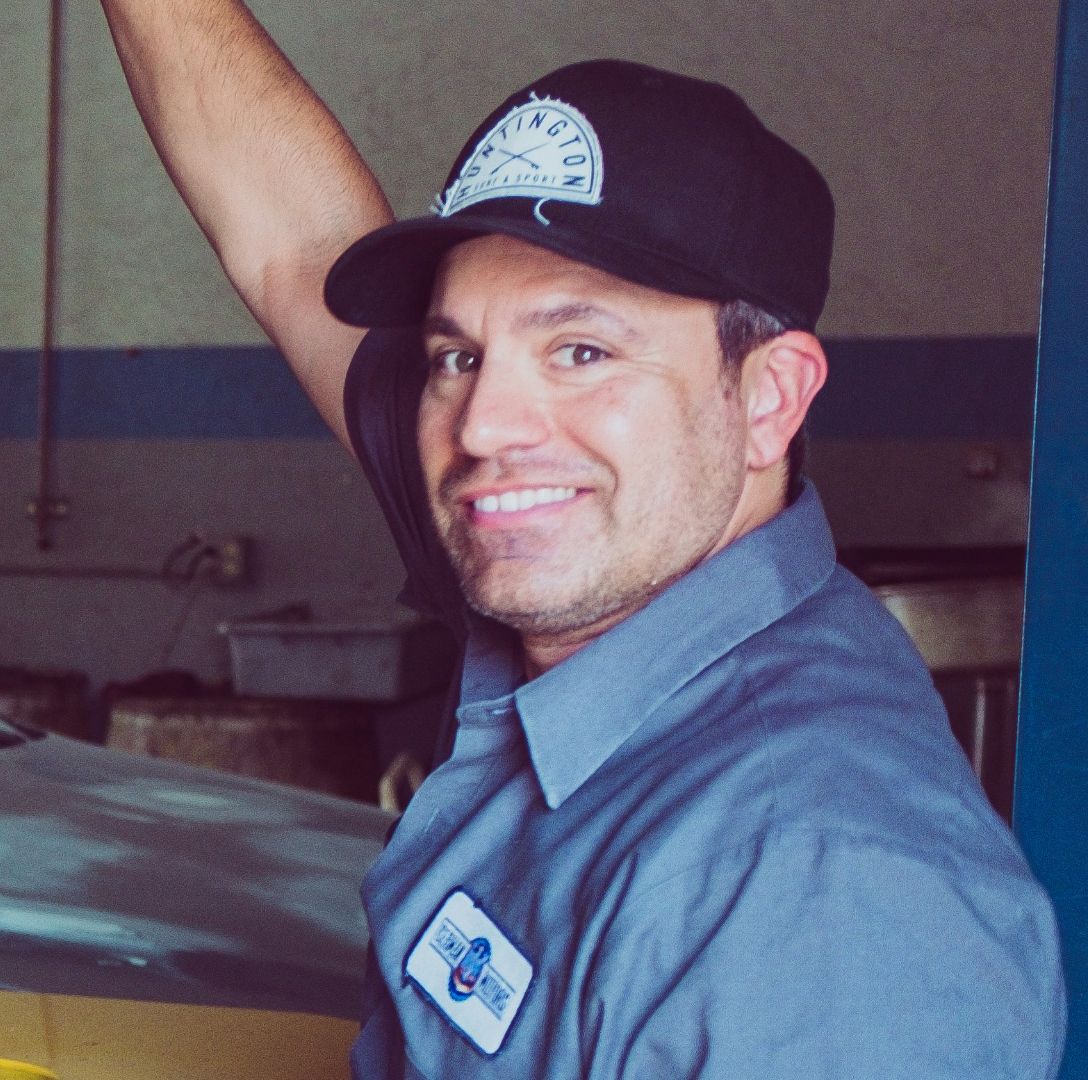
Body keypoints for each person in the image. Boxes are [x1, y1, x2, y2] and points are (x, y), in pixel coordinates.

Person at [97, 4, 1066, 1077]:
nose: (480, 429)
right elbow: (295, 251)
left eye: (584, 351)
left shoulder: (825, 898)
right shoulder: (587, 563)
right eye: (457, 356)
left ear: (768, 399)